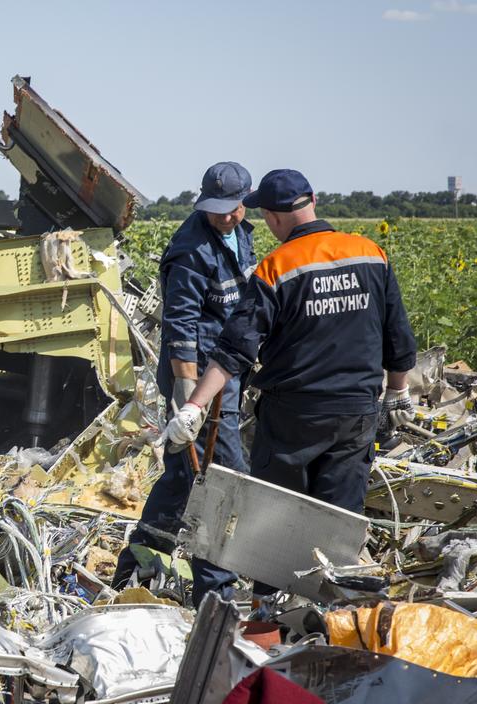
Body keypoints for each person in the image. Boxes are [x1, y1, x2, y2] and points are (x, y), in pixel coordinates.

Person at [164, 169, 417, 603]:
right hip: (357, 412)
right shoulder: (371, 253)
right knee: (339, 525)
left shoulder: (278, 267)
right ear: (313, 200)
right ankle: (332, 624)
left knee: (275, 530)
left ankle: (272, 620)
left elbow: (234, 350)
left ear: (272, 217)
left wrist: (193, 406)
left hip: (293, 418)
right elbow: (398, 337)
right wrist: (397, 392)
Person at [112, 162, 257, 607]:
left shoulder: (242, 232)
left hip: (227, 370)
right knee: (217, 478)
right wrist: (187, 400)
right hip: (197, 378)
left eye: (231, 209)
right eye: (216, 211)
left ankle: (137, 568)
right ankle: (216, 590)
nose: (224, 218)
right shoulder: (191, 249)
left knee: (180, 478)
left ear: (243, 202)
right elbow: (181, 327)